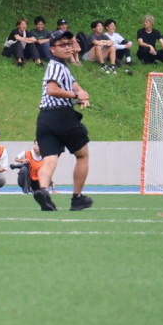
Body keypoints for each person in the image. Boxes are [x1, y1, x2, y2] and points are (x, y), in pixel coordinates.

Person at [32, 29, 93, 212]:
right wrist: (76, 95)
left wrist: (82, 95)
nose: (67, 47)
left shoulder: (63, 68)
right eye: (62, 45)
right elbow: (52, 89)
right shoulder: (56, 66)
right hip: (62, 116)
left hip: (45, 119)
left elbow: (75, 86)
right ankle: (77, 199)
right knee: (83, 155)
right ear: (52, 49)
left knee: (49, 159)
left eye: (69, 44)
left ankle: (43, 191)